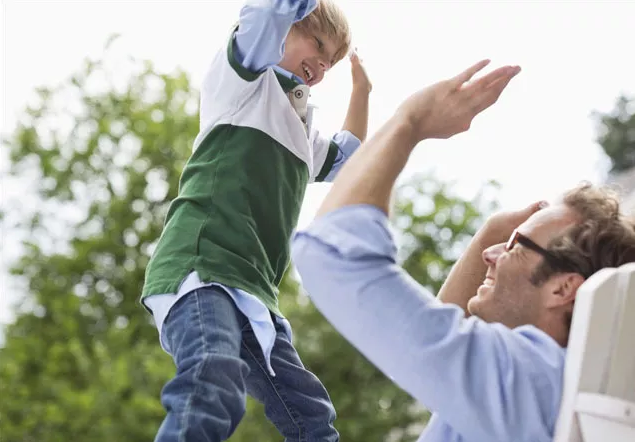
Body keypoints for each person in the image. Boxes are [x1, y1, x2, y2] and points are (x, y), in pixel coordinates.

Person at [291, 59, 635, 441]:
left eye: (515, 247)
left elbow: (331, 255)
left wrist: (411, 122)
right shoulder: (542, 388)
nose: (491, 254)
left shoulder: (531, 379)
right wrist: (495, 235)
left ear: (562, 289)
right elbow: (423, 350)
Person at [140, 1, 372, 440]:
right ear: (287, 27)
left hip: (253, 293)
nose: (321, 66)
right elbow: (269, 13)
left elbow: (351, 160)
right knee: (213, 378)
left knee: (310, 415)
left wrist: (362, 89)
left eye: (330, 62)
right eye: (317, 44)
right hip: (202, 268)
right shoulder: (243, 80)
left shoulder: (303, 129)